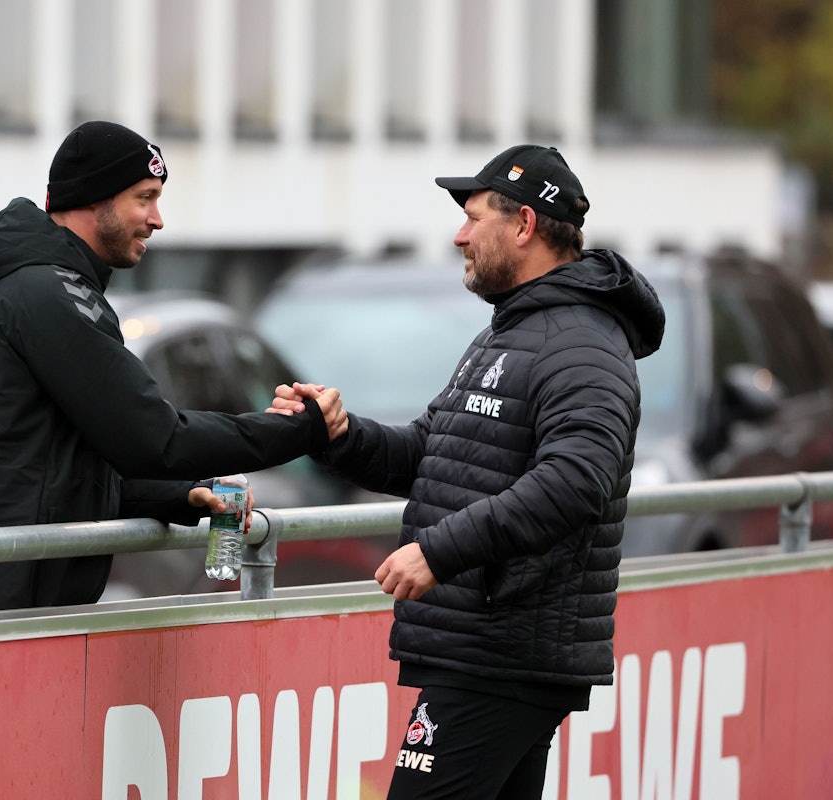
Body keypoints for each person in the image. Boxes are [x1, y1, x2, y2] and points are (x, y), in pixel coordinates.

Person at [269, 144, 665, 798]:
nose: (458, 235)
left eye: (473, 216)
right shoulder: (511, 331)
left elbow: (576, 480)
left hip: (503, 653)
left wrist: (439, 550)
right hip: (486, 650)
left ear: (524, 225)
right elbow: (434, 458)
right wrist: (336, 433)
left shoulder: (582, 340)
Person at [0, 120, 347, 614]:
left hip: (11, 595)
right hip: (15, 609)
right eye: (144, 198)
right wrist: (297, 429)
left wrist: (181, 496)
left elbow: (55, 470)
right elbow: (157, 439)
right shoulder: (50, 296)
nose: (157, 219)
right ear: (95, 199)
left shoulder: (25, 292)